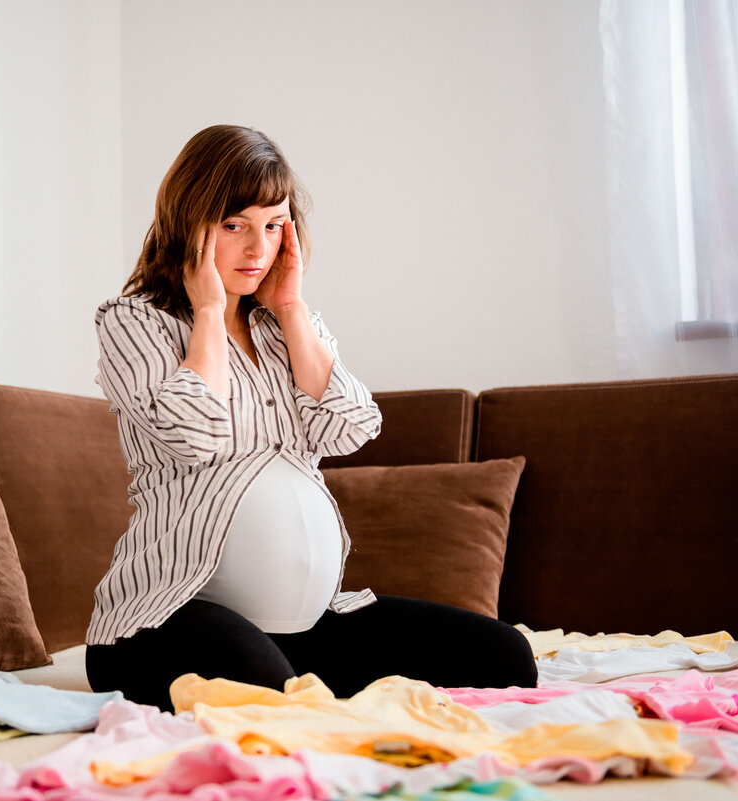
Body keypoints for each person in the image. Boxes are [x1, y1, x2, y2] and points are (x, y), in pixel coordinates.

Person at [85, 124, 536, 711]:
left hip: (306, 624)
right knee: (272, 693)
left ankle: (302, 679)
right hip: (165, 616)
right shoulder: (133, 321)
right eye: (234, 225)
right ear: (189, 224)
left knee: (503, 658)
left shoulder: (288, 328)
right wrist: (209, 311)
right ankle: (288, 683)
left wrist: (292, 308)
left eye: (273, 226)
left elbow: (350, 427)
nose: (257, 249)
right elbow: (197, 434)